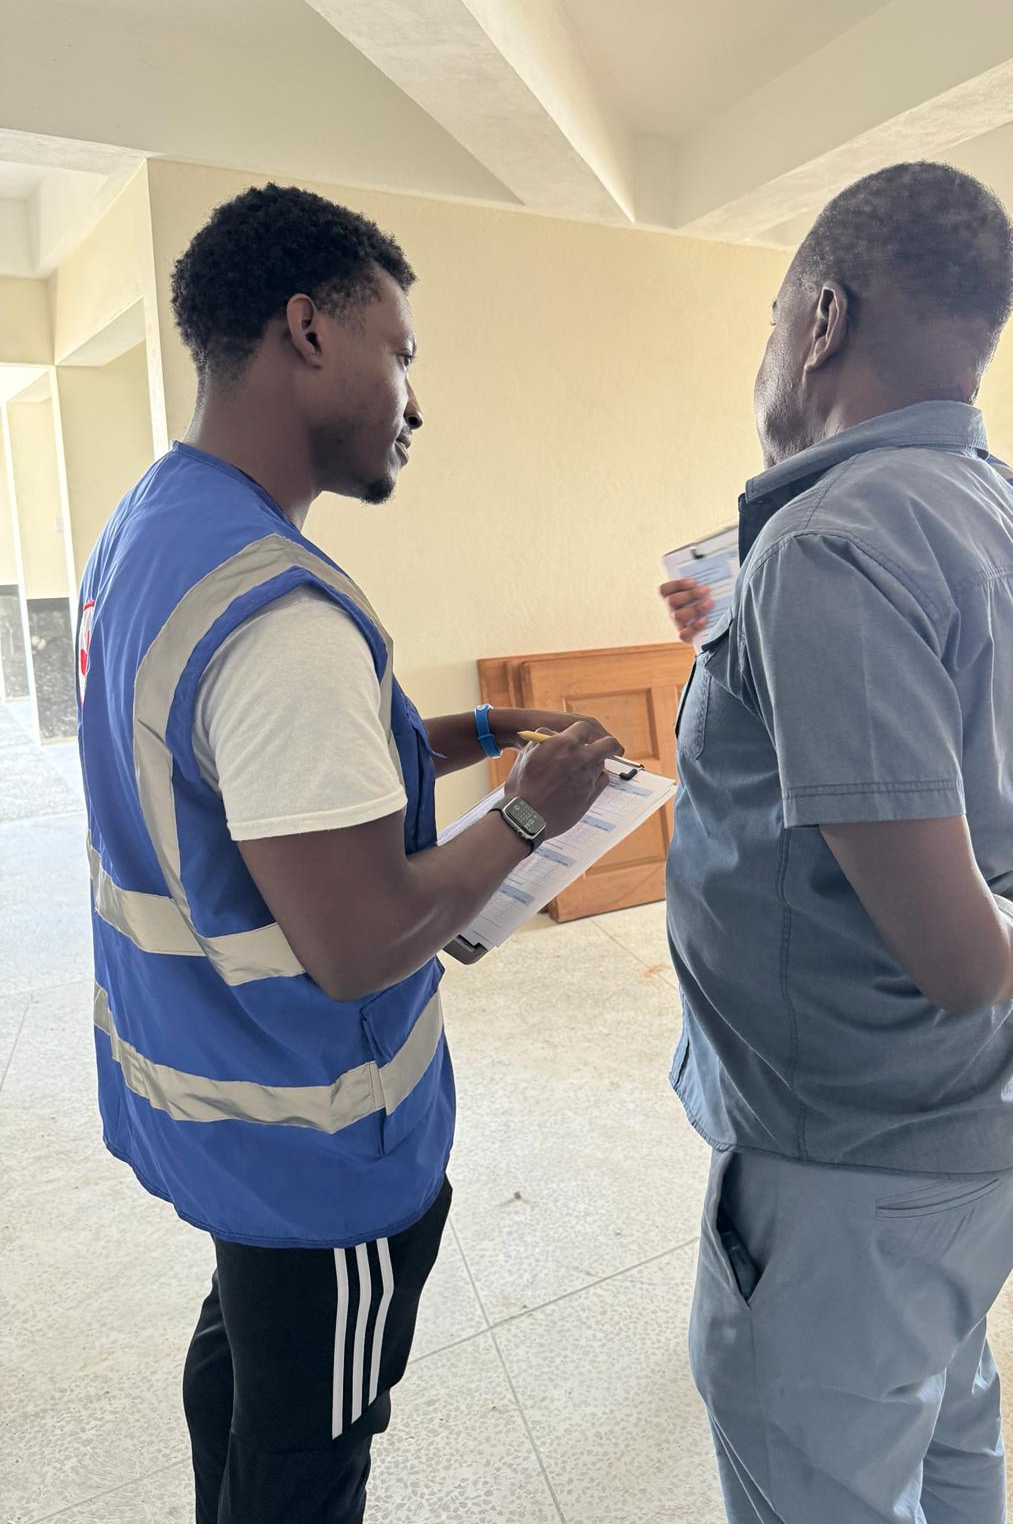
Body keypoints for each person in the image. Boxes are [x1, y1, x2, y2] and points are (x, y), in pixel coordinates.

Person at [75, 184, 622, 1524]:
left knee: (245, 1375)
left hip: (208, 1104)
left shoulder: (158, 528)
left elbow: (261, 790)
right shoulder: (286, 622)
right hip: (319, 1155)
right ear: (309, 331)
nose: (414, 401)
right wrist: (533, 810)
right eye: (402, 353)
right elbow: (359, 936)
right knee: (311, 1463)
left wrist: (480, 731)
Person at [659, 162, 1013, 1524]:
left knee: (821, 1474)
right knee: (946, 1422)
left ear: (824, 317)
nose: (768, 352)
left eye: (772, 317)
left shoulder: (830, 547)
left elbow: (972, 953)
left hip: (849, 1170)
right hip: (973, 1131)